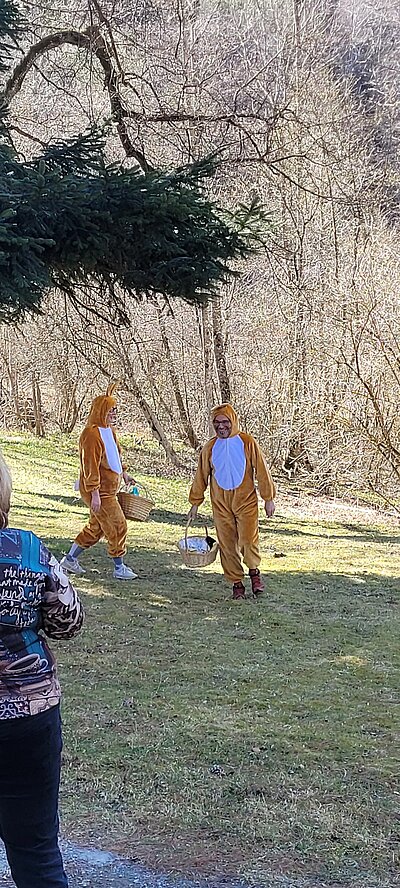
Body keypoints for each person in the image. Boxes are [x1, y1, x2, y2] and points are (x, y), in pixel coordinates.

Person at [0, 448, 83, 888]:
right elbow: (69, 622)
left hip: (27, 721)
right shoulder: (30, 551)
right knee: (35, 852)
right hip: (28, 718)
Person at [187, 403, 276, 600]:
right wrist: (195, 503)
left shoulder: (247, 442)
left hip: (246, 501)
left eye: (225, 422)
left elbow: (262, 471)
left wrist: (268, 498)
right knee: (227, 544)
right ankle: (236, 583)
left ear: (233, 421)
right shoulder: (210, 447)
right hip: (221, 504)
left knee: (247, 539)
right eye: (217, 423)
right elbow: (201, 476)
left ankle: (254, 573)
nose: (221, 426)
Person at [61, 384, 137, 580]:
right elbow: (90, 466)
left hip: (108, 490)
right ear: (101, 410)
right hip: (99, 491)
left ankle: (70, 559)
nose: (114, 414)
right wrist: (94, 493)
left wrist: (125, 474)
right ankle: (119, 567)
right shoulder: (91, 434)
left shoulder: (108, 430)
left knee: (96, 528)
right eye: (111, 410)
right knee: (118, 525)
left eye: (115, 410)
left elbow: (115, 456)